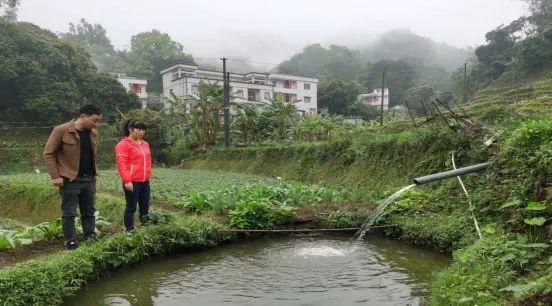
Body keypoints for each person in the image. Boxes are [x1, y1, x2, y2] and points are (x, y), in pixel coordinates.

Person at [43, 104, 102, 250]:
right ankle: (70, 241)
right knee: (69, 212)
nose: (96, 124)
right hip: (70, 179)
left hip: (89, 178)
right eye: (94, 120)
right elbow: (48, 154)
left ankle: (90, 236)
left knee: (89, 211)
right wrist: (55, 176)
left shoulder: (93, 133)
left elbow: (91, 155)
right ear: (82, 116)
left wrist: (95, 173)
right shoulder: (61, 130)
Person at [115, 119, 152, 235]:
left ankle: (145, 222)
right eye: (139, 129)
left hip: (145, 180)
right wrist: (127, 181)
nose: (142, 132)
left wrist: (148, 174)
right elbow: (122, 164)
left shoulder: (145, 144)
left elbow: (148, 160)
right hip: (132, 181)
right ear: (130, 130)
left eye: (143, 130)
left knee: (145, 203)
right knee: (131, 206)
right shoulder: (122, 145)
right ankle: (129, 229)